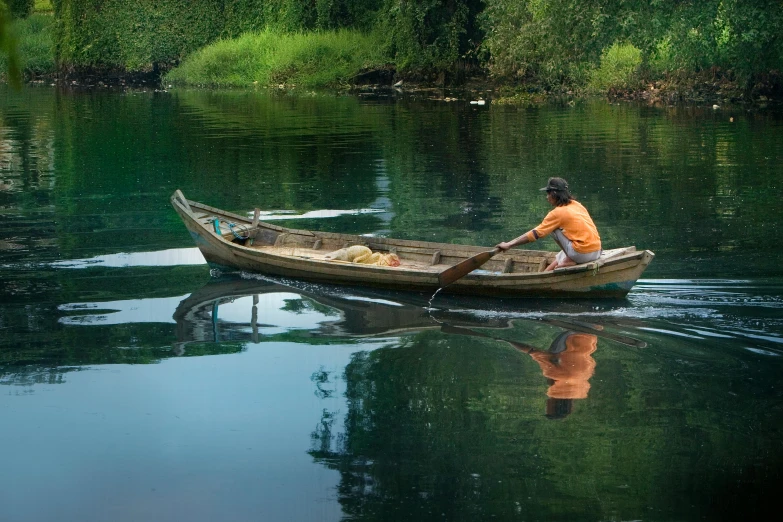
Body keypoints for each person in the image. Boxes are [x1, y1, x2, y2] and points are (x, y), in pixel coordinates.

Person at [496, 177, 601, 271]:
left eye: (548, 194)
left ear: (554, 194)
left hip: (582, 254)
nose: (547, 197)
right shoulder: (577, 205)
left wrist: (509, 244)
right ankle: (548, 271)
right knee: (567, 247)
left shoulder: (557, 213)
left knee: (553, 229)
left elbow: (536, 233)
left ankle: (569, 259)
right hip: (596, 251)